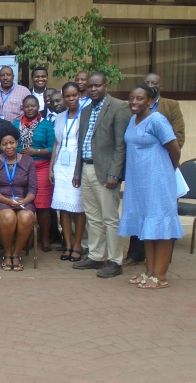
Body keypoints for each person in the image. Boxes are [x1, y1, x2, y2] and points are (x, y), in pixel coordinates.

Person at [119, 84, 182, 289]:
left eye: (139, 99)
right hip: (139, 182)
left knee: (161, 225)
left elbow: (174, 149)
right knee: (146, 225)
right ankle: (149, 272)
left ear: (150, 101)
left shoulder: (157, 120)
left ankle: (160, 276)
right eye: (131, 98)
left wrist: (167, 173)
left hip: (158, 181)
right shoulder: (132, 120)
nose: (134, 102)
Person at [72, 72, 130, 278]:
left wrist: (115, 173)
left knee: (110, 217)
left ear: (106, 85)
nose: (93, 89)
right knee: (93, 217)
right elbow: (82, 143)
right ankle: (96, 256)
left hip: (106, 171)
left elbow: (121, 145)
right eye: (90, 87)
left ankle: (115, 260)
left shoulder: (118, 107)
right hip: (87, 168)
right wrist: (77, 171)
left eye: (97, 86)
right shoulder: (86, 110)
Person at [0, 125, 37, 271]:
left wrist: (25, 200)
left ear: (17, 142)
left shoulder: (28, 161)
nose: (9, 146)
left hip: (23, 200)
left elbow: (33, 188)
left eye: (12, 143)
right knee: (9, 216)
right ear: (0, 146)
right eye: (5, 144)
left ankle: (16, 254)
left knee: (27, 217)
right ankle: (7, 253)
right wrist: (8, 201)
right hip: (0, 200)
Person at [49, 82, 86, 262]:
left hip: (77, 165)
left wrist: (78, 170)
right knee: (63, 207)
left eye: (74, 95)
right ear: (63, 97)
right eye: (68, 96)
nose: (71, 99)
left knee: (78, 207)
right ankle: (68, 244)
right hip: (61, 166)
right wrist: (51, 167)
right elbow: (57, 143)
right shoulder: (60, 117)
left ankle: (78, 245)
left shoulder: (85, 115)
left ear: (79, 95)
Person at [12, 95, 55, 252]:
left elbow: (53, 148)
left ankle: (45, 238)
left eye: (33, 106)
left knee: (42, 205)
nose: (30, 109)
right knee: (24, 203)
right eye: (27, 106)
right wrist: (21, 153)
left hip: (41, 167)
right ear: (22, 108)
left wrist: (35, 151)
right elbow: (11, 145)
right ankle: (27, 237)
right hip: (21, 167)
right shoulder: (16, 124)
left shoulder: (47, 125)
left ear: (38, 107)